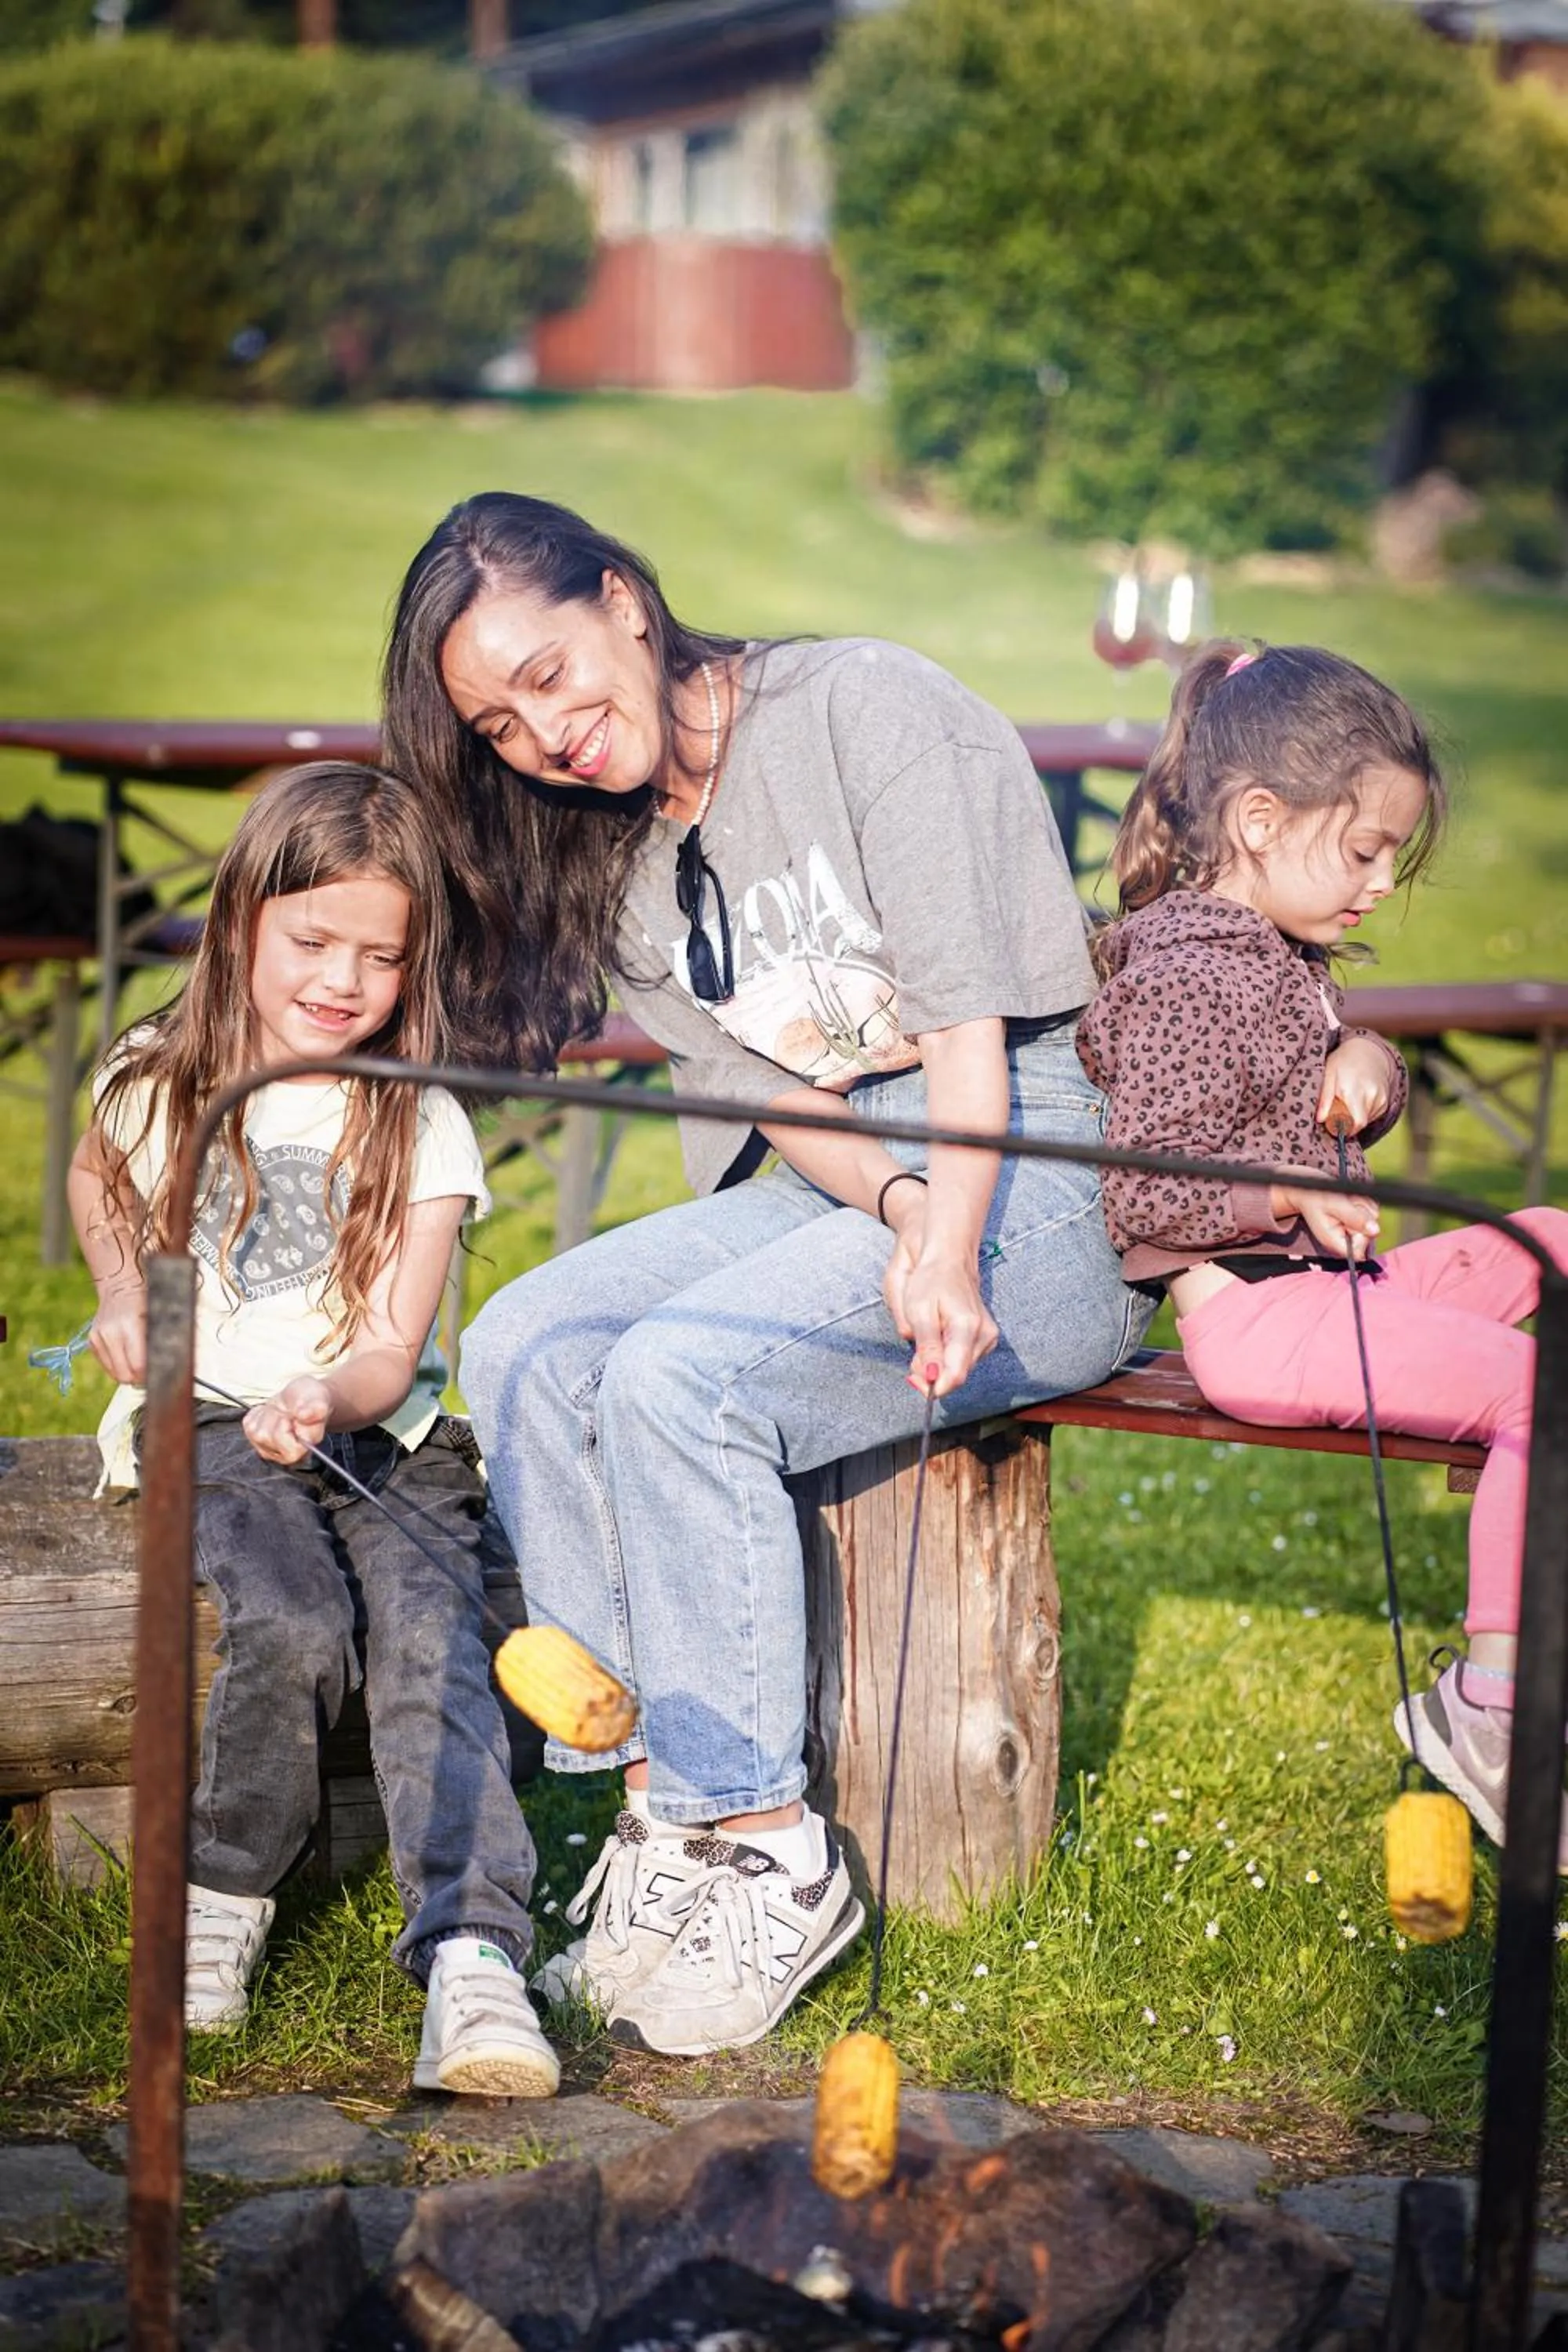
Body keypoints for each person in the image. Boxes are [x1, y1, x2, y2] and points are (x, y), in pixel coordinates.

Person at [381, 492, 1152, 2057]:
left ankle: (771, 1846)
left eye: (547, 670)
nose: (540, 732)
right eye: (494, 721)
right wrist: (898, 1203)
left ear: (624, 598)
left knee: (684, 1373)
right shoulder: (617, 868)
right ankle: (666, 1816)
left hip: (1044, 1170)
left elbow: (960, 1029)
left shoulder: (863, 707)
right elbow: (787, 1108)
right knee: (530, 1338)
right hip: (864, 1177)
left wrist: (945, 1236)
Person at [68, 762, 560, 2094]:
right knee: (288, 1618)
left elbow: (396, 1346)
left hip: (380, 1430)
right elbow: (101, 1183)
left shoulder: (421, 1120)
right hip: (217, 1421)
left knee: (429, 1633)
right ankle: (218, 1899)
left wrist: (329, 1397)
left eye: (380, 957)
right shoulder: (158, 1080)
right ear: (240, 923)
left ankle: (472, 1953)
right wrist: (123, 1297)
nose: (343, 980)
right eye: (312, 941)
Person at [1076, 640, 1568, 1859]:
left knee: (1548, 1237)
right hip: (1255, 1315)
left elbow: (1336, 1083)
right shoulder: (1191, 971)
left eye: (1393, 854)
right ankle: (1490, 1711)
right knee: (1534, 1394)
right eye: (1364, 850)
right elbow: (1146, 1189)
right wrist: (1286, 1194)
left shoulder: (1278, 955)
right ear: (1257, 818)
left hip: (1327, 1283)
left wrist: (1370, 1068)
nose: (1382, 881)